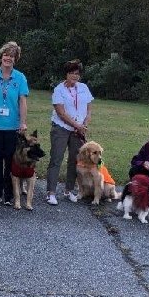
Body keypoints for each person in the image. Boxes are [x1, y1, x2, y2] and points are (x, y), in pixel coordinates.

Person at [0, 41, 29, 205]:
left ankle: (8, 194)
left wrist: (23, 123)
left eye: (11, 56)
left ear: (15, 59)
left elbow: (22, 101)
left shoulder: (20, 77)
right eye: (5, 55)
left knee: (10, 161)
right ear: (1, 57)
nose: (8, 58)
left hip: (13, 127)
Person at [44, 59, 93, 206]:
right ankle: (51, 193)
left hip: (78, 130)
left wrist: (85, 124)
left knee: (74, 159)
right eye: (71, 73)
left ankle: (69, 190)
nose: (74, 76)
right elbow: (61, 113)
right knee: (56, 158)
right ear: (66, 74)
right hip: (61, 128)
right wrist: (77, 125)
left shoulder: (84, 88)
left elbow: (89, 109)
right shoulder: (59, 90)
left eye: (77, 73)